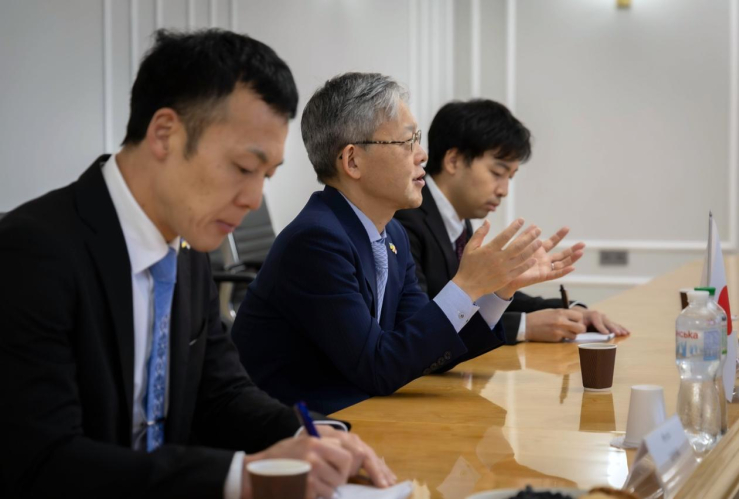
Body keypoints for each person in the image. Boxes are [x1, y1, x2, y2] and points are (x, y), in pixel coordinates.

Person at [0, 30, 394, 499]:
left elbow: (222, 393)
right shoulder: (33, 251)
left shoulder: (186, 250)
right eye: (243, 168)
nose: (254, 199)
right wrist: (242, 477)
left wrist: (311, 435)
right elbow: (44, 461)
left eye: (266, 176)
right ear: (165, 134)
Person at [231, 73, 583, 415]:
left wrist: (500, 291)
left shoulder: (392, 234)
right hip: (303, 429)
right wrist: (466, 285)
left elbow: (426, 348)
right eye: (406, 142)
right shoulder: (316, 241)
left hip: (363, 414)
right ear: (353, 161)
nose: (422, 154)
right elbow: (378, 367)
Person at [395, 99, 629, 343]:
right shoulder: (405, 218)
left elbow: (480, 298)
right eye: (497, 173)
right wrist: (523, 326)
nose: (504, 191)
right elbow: (424, 321)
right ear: (453, 161)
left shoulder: (457, 221)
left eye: (510, 177)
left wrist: (571, 309)